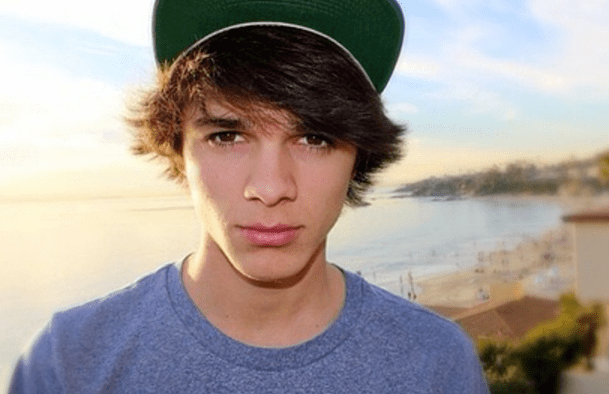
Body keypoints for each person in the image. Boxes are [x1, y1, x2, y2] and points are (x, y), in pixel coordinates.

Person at [9, 0, 490, 392]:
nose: (271, 187)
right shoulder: (68, 364)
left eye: (314, 138)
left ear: (358, 158)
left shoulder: (435, 363)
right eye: (227, 137)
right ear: (177, 147)